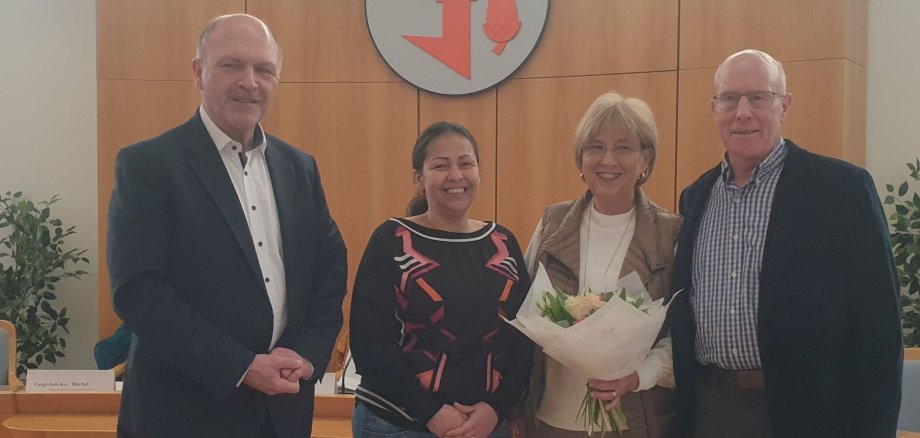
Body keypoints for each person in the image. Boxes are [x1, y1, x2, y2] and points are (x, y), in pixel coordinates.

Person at [107, 14, 347, 437]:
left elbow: (329, 273)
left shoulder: (300, 169)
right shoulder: (148, 166)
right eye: (231, 65)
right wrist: (241, 367)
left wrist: (306, 357)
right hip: (183, 413)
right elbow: (138, 290)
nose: (249, 82)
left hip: (283, 411)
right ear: (199, 72)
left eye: (264, 69)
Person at [669, 49, 903, 438]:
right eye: (729, 98)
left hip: (809, 415)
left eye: (758, 97)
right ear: (715, 109)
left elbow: (879, 332)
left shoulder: (841, 190)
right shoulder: (695, 197)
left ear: (784, 106)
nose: (742, 112)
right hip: (709, 412)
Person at [349, 122, 533, 438]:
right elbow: (369, 346)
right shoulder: (391, 240)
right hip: (398, 423)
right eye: (441, 166)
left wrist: (496, 409)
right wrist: (431, 413)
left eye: (466, 163)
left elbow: (525, 339)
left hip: (487, 425)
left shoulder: (503, 242)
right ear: (419, 179)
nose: (456, 176)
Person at [521, 92, 681, 438]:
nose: (607, 159)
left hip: (635, 421)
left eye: (623, 147)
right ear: (581, 158)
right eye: (595, 147)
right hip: (550, 421)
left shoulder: (670, 235)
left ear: (645, 160)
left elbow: (685, 332)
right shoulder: (552, 223)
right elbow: (521, 310)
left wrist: (640, 375)